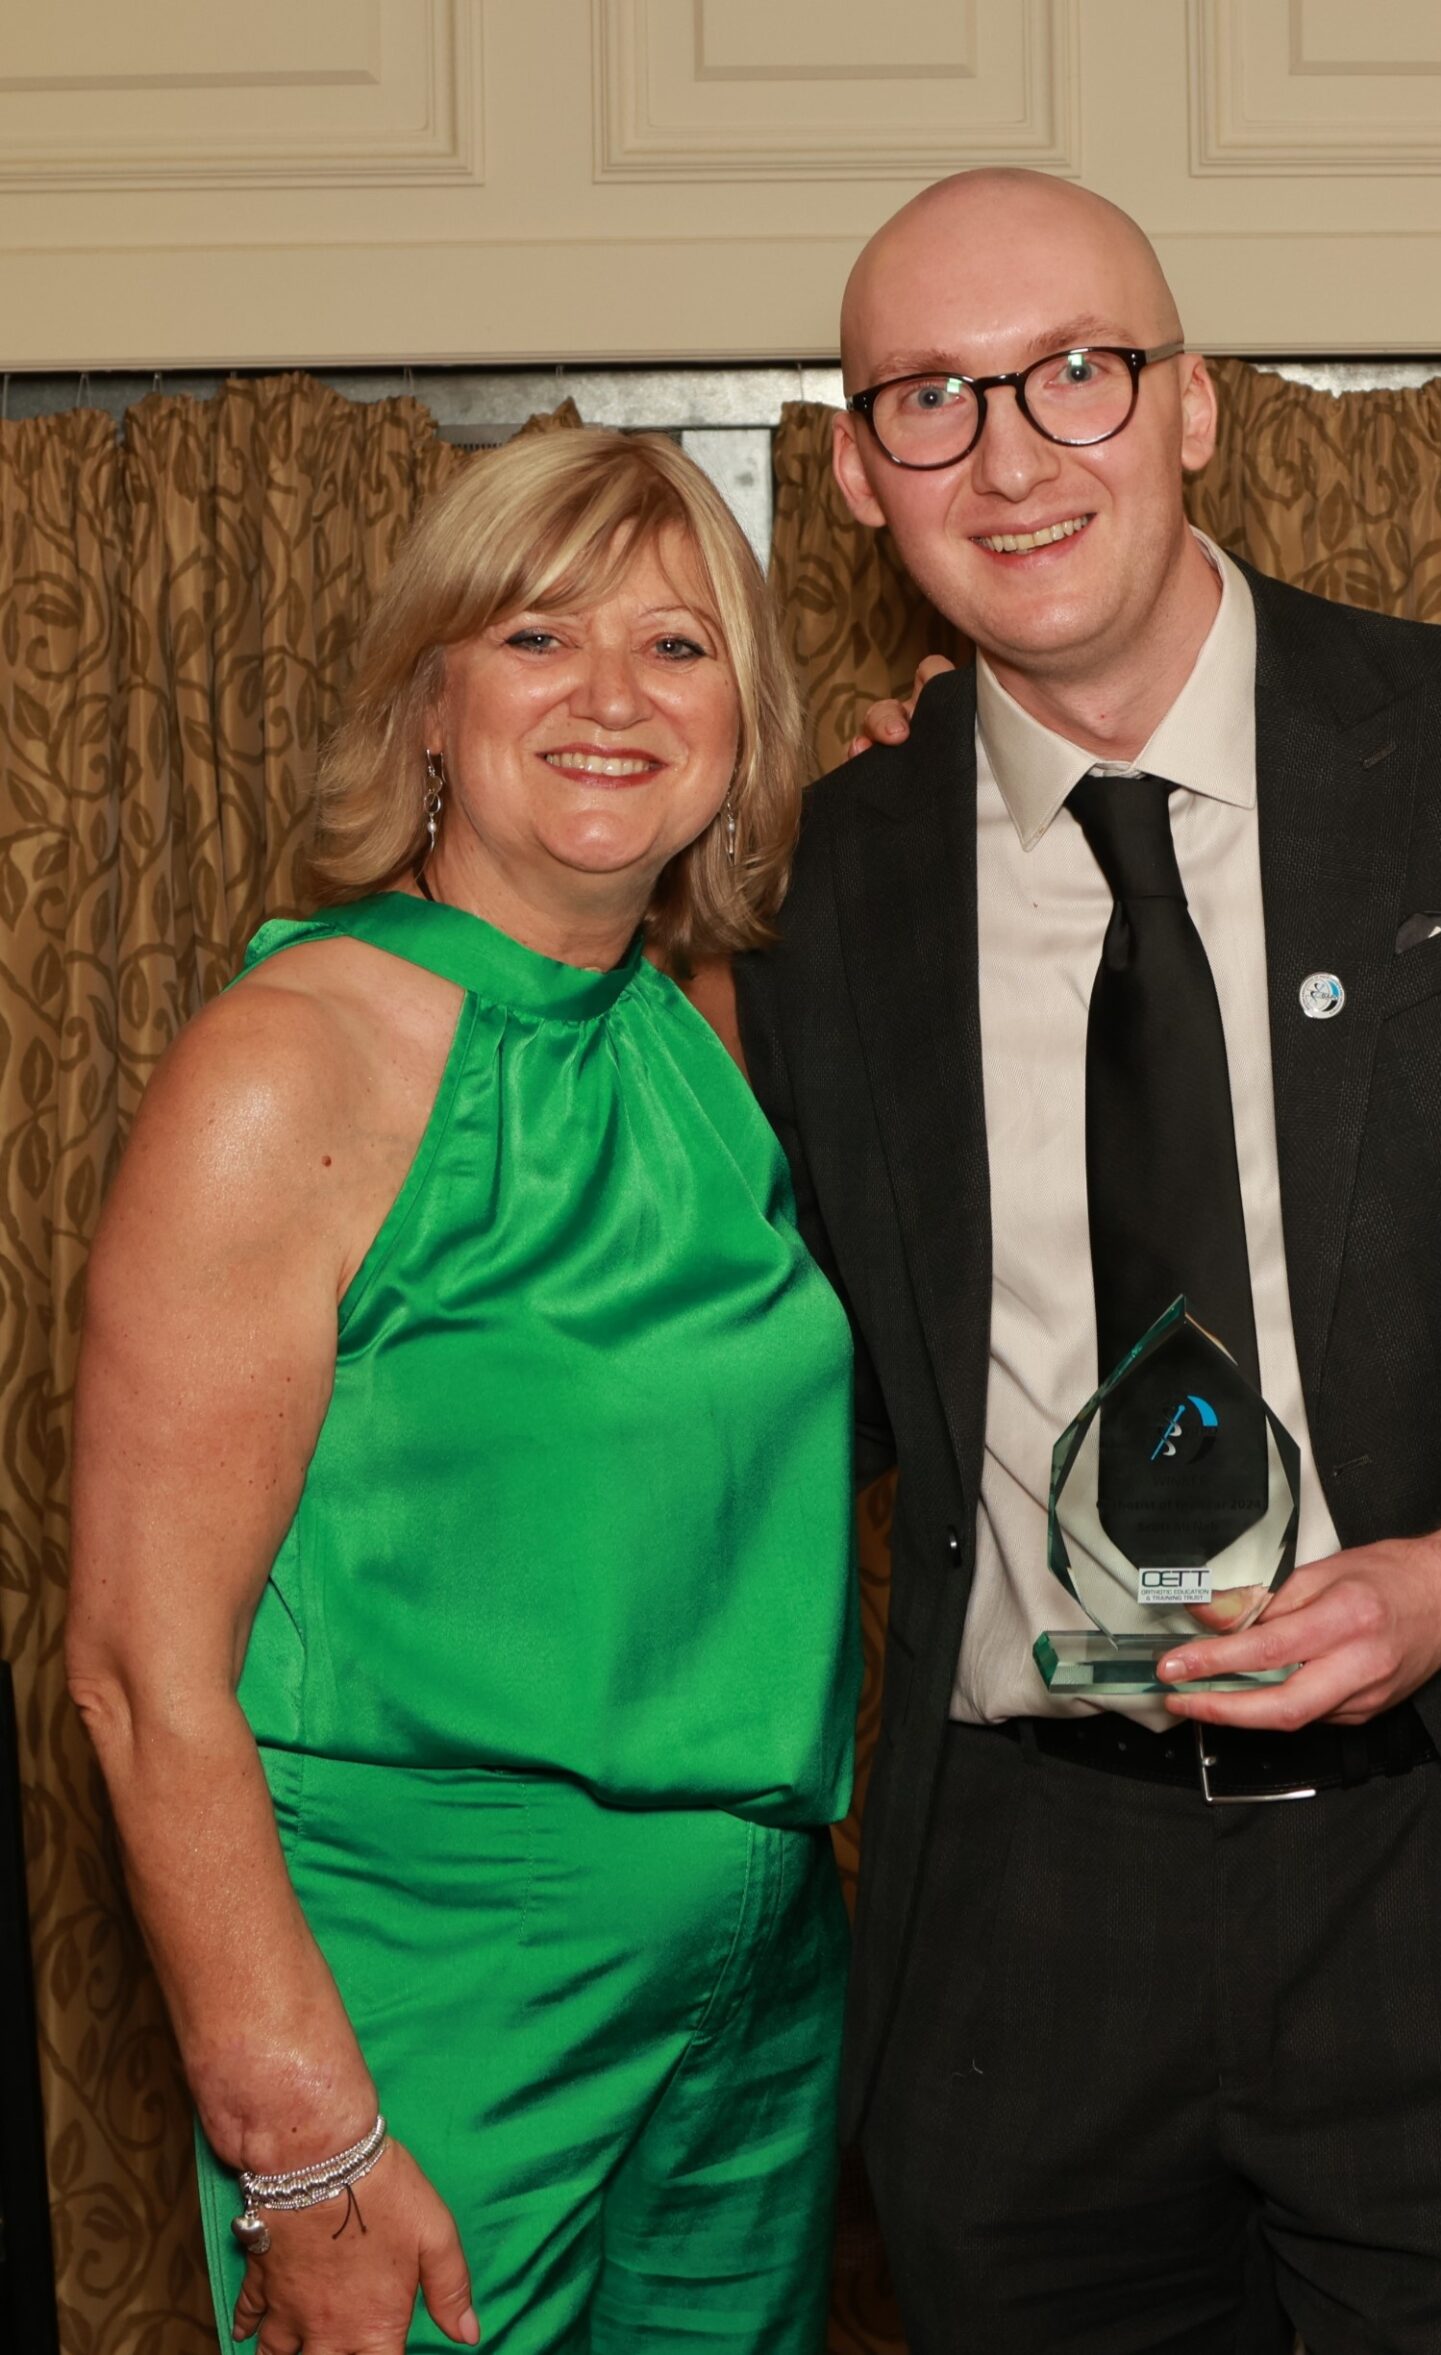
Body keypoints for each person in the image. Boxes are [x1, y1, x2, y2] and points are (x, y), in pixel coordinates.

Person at [728, 168, 1441, 2353]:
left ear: (1196, 405)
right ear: (853, 473)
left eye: (1076, 375)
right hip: (1020, 1927)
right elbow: (774, 1361)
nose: (1011, 453)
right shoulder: (822, 876)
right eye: (927, 398)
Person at [65, 427, 860, 2353]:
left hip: (761, 1977)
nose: (610, 700)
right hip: (434, 1973)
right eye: (535, 638)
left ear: (742, 731)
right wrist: (299, 2144)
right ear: (429, 699)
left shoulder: (702, 1032)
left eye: (678, 651)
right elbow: (137, 1670)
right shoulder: (292, 1068)